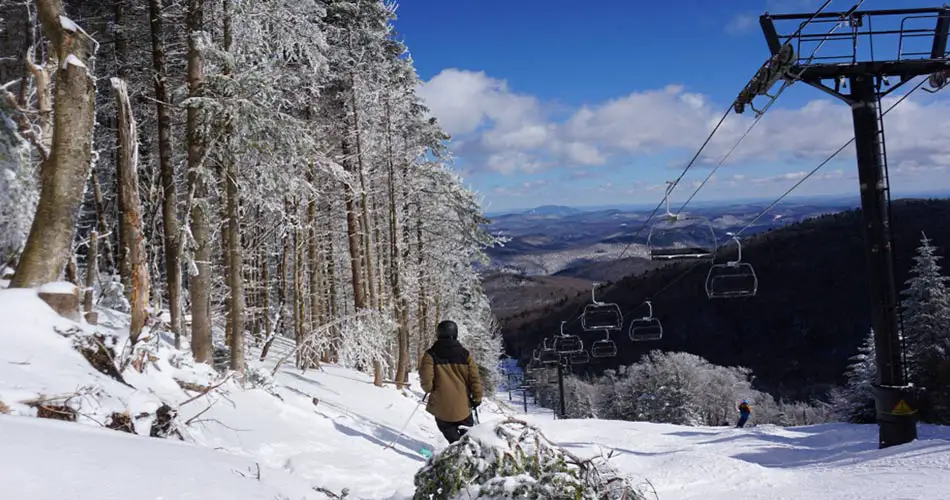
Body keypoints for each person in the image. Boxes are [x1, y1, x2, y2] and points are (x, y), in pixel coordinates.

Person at [419, 320, 483, 444]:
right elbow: (474, 378)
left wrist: (431, 388)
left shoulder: (430, 354)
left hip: (441, 406)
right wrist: (477, 397)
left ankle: (457, 449)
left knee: (452, 436)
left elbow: (426, 382)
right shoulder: (465, 355)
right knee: (469, 438)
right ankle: (470, 455)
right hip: (464, 406)